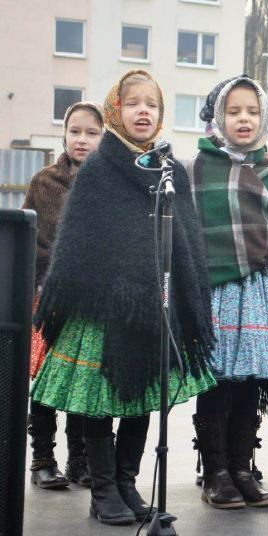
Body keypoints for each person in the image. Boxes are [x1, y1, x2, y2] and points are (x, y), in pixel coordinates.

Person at [30, 69, 217, 525]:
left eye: (151, 104)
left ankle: (129, 483)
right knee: (101, 400)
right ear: (117, 110)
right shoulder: (99, 169)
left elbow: (187, 237)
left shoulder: (172, 170)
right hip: (103, 308)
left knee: (144, 396)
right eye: (133, 102)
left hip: (156, 306)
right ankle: (103, 489)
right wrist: (112, 285)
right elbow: (80, 239)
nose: (143, 110)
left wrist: (183, 289)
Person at [188, 75, 268, 509]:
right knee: (218, 380)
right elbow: (188, 235)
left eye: (252, 111)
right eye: (234, 111)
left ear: (264, 117)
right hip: (217, 291)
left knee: (251, 384)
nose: (244, 119)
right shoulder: (197, 169)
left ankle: (243, 467)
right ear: (218, 117)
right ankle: (215, 472)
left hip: (262, 292)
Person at [22, 101, 103, 490]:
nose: (82, 140)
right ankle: (42, 459)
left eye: (91, 132)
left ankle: (80, 459)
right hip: (50, 300)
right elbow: (29, 244)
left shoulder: (110, 183)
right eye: (75, 131)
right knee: (47, 382)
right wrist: (40, 287)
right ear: (65, 134)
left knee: (81, 380)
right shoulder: (44, 182)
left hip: (92, 304)